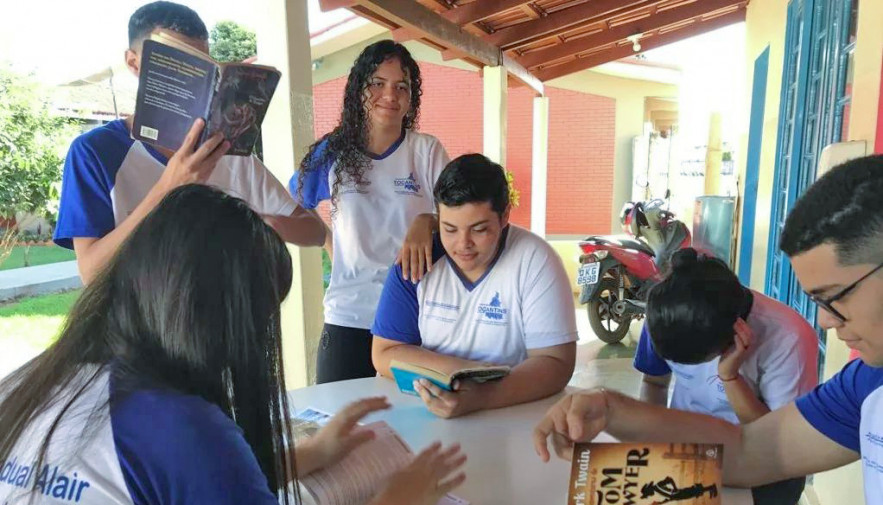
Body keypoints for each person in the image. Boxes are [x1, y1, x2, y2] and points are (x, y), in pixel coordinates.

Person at [0, 185, 465, 505]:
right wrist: (398, 498)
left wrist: (311, 455)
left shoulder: (29, 384)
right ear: (219, 319)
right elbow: (189, 465)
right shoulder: (178, 425)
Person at [533, 154, 883, 504]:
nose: (825, 321)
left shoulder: (791, 337)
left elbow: (767, 456)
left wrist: (731, 379)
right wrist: (609, 407)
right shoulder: (863, 385)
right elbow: (752, 449)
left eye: (835, 297)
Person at [53, 1, 325, 285]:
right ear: (134, 63)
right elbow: (91, 273)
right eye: (172, 62)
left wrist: (263, 224)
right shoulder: (95, 151)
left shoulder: (226, 149)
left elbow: (315, 231)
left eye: (199, 65)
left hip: (220, 310)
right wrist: (169, 187)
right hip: (137, 314)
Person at [290, 40, 450, 384]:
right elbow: (292, 205)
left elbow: (460, 217)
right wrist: (329, 242)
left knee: (412, 417)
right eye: (378, 83)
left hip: (412, 318)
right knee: (341, 416)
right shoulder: (333, 152)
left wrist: (427, 221)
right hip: (349, 316)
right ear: (359, 89)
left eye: (401, 86)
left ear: (412, 97)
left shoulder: (426, 151)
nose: (390, 95)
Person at [371, 154, 577, 418]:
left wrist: (481, 396)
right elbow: (384, 352)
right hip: (424, 416)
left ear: (504, 216)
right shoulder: (418, 259)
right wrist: (463, 375)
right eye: (449, 229)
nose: (463, 244)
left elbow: (557, 363)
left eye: (479, 230)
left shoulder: (535, 259)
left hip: (512, 417)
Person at [635, 248, 818, 504]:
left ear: (735, 332)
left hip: (762, 469)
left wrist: (730, 377)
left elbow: (779, 440)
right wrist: (651, 444)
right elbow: (654, 383)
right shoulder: (666, 314)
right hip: (687, 454)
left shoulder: (789, 337)